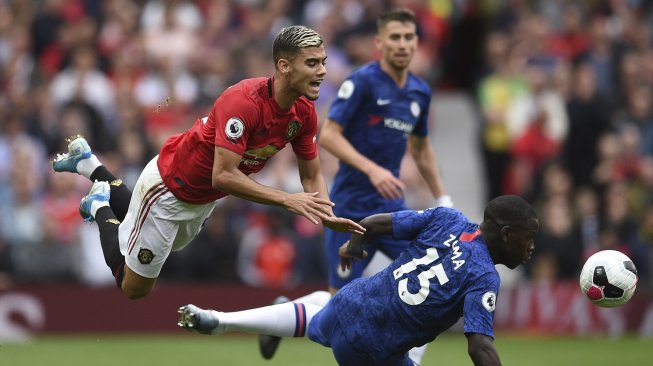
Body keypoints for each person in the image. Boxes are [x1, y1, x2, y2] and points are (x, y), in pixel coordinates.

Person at [51, 25, 365, 300]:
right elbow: (223, 176)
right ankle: (98, 206)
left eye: (323, 61)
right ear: (283, 66)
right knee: (134, 288)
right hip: (168, 186)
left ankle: (88, 164)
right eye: (312, 63)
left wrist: (329, 218)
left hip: (201, 200)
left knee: (153, 233)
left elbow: (311, 176)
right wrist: (286, 199)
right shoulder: (244, 102)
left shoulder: (304, 111)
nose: (322, 70)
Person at [258, 8, 452, 362]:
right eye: (395, 37)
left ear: (417, 43)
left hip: (392, 211)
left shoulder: (420, 92)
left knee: (434, 273)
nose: (403, 44)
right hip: (350, 209)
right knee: (339, 311)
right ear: (379, 43)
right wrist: (373, 169)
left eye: (409, 37)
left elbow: (421, 149)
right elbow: (328, 135)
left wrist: (443, 197)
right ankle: (279, 319)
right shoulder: (361, 82)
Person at [178, 195, 539, 366]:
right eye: (528, 238)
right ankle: (237, 320)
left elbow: (375, 222)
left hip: (351, 301)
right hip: (371, 350)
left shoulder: (448, 218)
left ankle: (223, 320)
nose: (532, 247)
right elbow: (479, 347)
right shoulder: (484, 277)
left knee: (323, 313)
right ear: (506, 235)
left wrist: (354, 244)